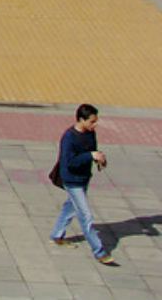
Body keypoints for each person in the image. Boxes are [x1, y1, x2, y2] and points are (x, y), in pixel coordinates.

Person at [50, 103, 114, 264]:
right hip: (72, 180)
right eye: (92, 121)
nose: (95, 124)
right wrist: (91, 156)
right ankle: (99, 252)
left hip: (84, 177)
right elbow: (70, 162)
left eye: (95, 121)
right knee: (86, 215)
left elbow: (92, 150)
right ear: (81, 120)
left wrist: (99, 157)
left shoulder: (90, 133)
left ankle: (57, 235)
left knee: (70, 206)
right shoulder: (69, 138)